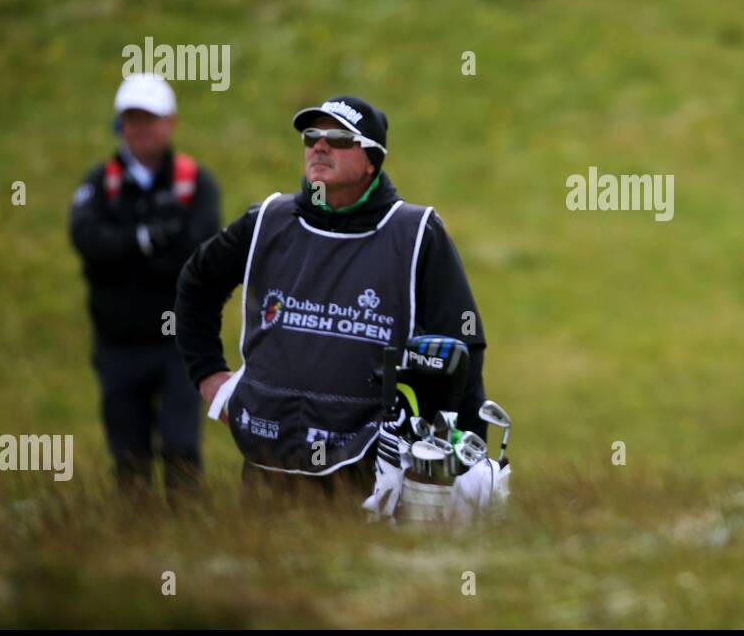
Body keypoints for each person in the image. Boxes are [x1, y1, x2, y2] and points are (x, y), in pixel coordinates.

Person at [174, 95, 487, 502]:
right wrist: (209, 375)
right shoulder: (267, 221)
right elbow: (196, 284)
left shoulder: (416, 233)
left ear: (371, 159)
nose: (319, 146)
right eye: (311, 136)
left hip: (372, 473)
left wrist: (467, 460)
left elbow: (462, 347)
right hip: (267, 463)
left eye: (338, 138)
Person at [69, 73, 221, 499]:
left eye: (149, 119)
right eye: (132, 120)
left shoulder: (196, 183)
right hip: (117, 342)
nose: (141, 129)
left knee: (181, 447)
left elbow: (200, 257)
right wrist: (145, 238)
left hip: (179, 344)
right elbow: (88, 244)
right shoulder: (99, 184)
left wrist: (130, 251)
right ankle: (136, 542)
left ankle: (187, 534)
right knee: (128, 456)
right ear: (120, 125)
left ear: (170, 122)